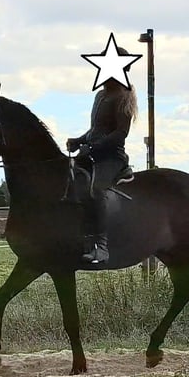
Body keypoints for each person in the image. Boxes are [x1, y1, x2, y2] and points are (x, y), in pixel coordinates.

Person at [66, 47, 138, 264]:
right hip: (92, 153)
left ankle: (101, 247)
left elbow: (120, 133)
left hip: (112, 158)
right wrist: (80, 140)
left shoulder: (123, 96)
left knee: (96, 189)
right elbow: (96, 129)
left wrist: (93, 147)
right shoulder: (100, 95)